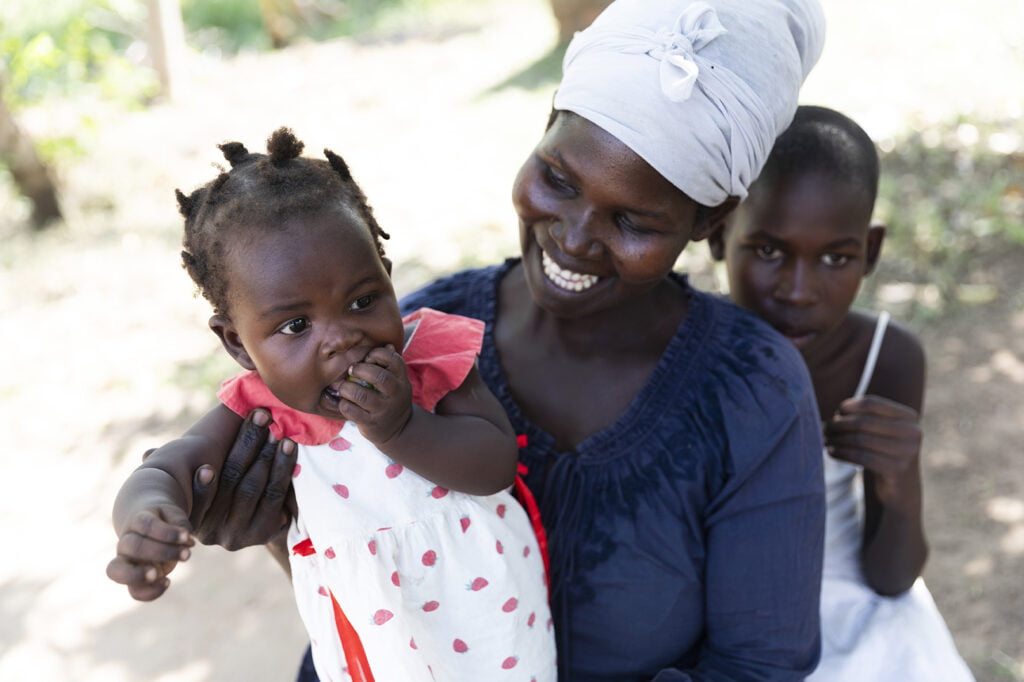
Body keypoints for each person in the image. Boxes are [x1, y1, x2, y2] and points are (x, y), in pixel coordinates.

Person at [119, 1, 830, 679]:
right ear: (545, 124)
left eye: (635, 222)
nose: (575, 238)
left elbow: (759, 665)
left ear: (711, 219)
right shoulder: (403, 336)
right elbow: (357, 575)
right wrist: (268, 528)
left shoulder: (752, 390)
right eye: (557, 177)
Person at [107, 127, 557, 682]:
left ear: (389, 279)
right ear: (236, 343)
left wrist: (402, 428)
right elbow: (165, 468)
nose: (342, 337)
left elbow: (495, 468)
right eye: (296, 325)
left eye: (364, 300)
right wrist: (147, 518)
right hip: (376, 639)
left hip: (494, 616)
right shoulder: (261, 409)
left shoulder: (428, 354)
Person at [708, 105, 975, 681]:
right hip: (716, 617)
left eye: (836, 257)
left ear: (871, 253)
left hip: (851, 610)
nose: (799, 291)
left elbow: (892, 579)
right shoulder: (683, 351)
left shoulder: (886, 358)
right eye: (769, 250)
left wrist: (900, 482)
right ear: (718, 233)